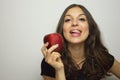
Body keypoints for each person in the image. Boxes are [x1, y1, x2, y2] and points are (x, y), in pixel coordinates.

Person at [41, 4, 120, 80]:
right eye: (68, 20)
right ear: (62, 29)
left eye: (81, 19)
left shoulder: (102, 57)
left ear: (90, 28)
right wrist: (59, 70)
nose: (74, 23)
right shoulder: (50, 62)